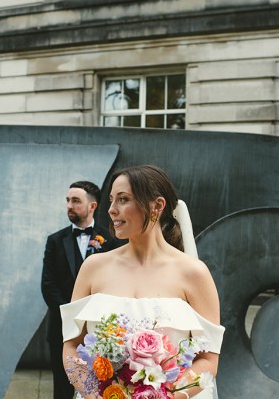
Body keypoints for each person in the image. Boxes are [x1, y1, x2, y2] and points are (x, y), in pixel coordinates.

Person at [60, 165, 225, 399]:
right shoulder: (93, 268)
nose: (111, 210)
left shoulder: (194, 274)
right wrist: (97, 395)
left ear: (157, 205)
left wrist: (164, 396)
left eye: (123, 199)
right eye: (111, 201)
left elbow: (208, 360)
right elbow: (71, 347)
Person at [41, 180, 122, 399]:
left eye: (76, 201)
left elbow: (115, 283)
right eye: (68, 200)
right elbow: (48, 286)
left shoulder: (111, 241)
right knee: (63, 386)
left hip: (100, 329)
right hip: (61, 327)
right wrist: (72, 316)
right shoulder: (55, 241)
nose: (69, 205)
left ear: (93, 206)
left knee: (100, 384)